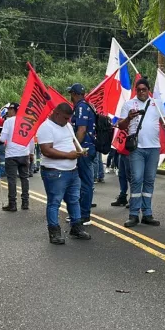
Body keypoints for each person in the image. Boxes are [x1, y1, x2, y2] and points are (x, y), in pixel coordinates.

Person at [118, 77, 165, 228]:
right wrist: (129, 117)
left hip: (153, 148)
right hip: (137, 148)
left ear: (148, 90)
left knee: (149, 180)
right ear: (136, 91)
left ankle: (147, 213)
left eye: (144, 89)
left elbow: (164, 121)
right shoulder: (128, 104)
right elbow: (120, 125)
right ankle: (133, 214)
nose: (141, 92)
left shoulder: (157, 104)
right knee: (137, 179)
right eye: (138, 90)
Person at [37, 103, 91, 244]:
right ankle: (54, 232)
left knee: (74, 200)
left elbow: (73, 140)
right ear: (57, 114)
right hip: (55, 171)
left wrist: (80, 151)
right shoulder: (46, 128)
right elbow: (46, 150)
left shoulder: (66, 125)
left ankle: (76, 227)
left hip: (72, 170)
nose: (68, 121)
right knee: (54, 202)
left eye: (69, 118)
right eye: (66, 118)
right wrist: (68, 155)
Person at [68, 83, 98, 225]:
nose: (70, 97)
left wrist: (76, 148)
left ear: (74, 94)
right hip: (87, 147)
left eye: (71, 94)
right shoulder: (87, 105)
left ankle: (84, 215)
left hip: (84, 148)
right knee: (79, 182)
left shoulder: (81, 107)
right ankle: (77, 212)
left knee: (85, 183)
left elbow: (81, 130)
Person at [0, 102, 35, 211]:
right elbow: (31, 139)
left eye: (9, 109)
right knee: (25, 178)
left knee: (12, 179)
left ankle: (12, 204)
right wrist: (31, 152)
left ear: (13, 110)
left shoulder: (8, 122)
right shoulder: (27, 121)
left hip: (12, 154)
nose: (8, 111)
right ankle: (25, 203)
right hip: (24, 153)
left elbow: (2, 139)